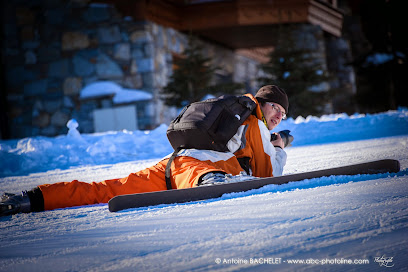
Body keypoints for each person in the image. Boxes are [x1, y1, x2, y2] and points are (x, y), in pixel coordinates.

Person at [0, 85, 289, 216]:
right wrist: (278, 147)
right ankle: (211, 182)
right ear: (262, 103)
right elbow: (267, 174)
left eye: (283, 114)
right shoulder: (254, 121)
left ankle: (28, 199)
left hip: (170, 165)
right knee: (208, 179)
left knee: (107, 189)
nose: (277, 116)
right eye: (275, 107)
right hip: (198, 169)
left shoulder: (234, 111)